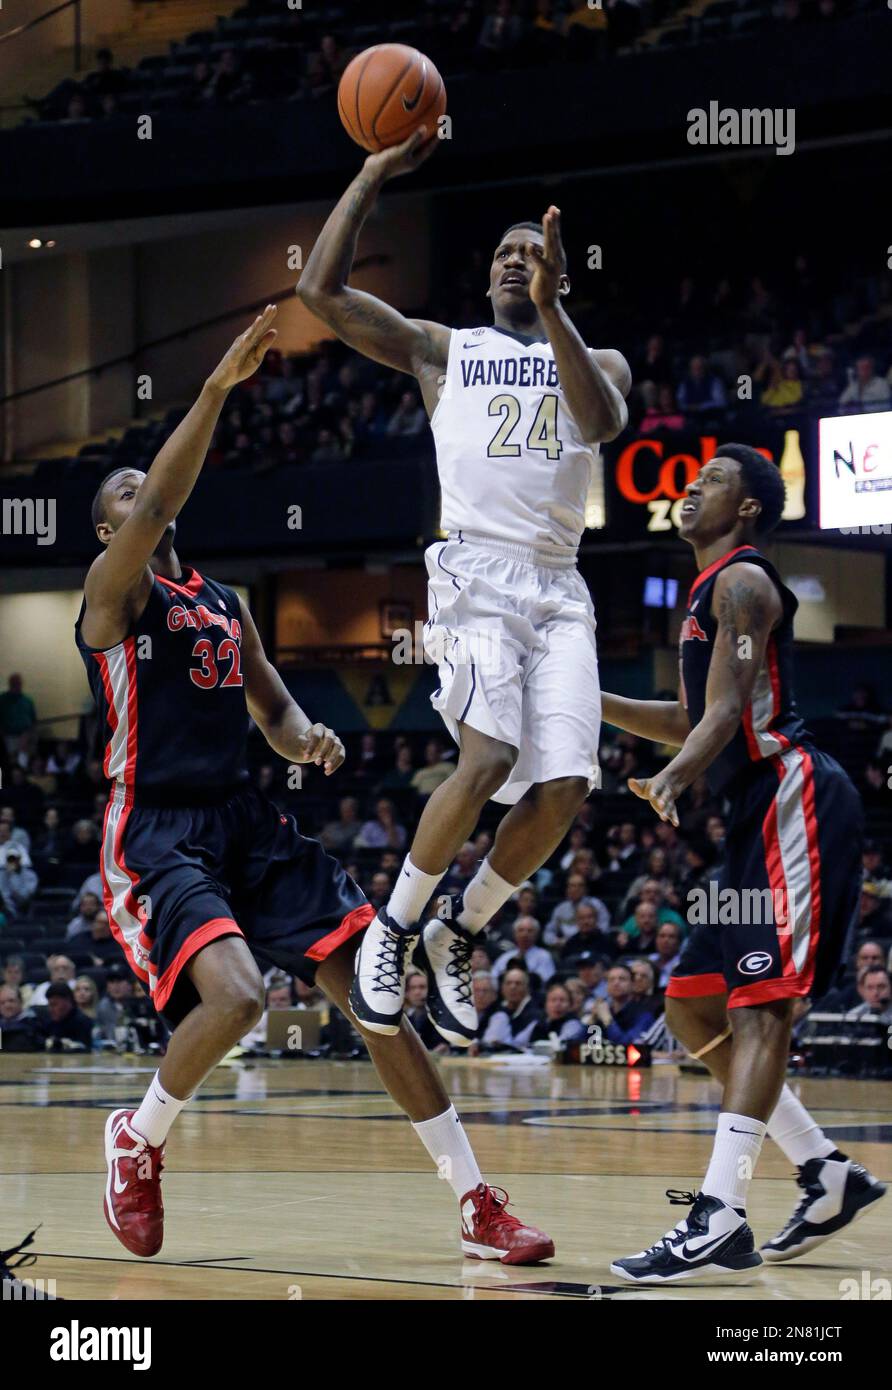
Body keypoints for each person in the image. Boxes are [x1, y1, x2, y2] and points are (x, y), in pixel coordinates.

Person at [77, 309, 552, 1266]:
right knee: (241, 999)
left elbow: (277, 714)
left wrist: (313, 740)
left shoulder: (224, 604)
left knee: (377, 1004)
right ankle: (140, 1139)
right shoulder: (112, 595)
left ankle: (475, 1203)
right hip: (158, 834)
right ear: (107, 528)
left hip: (248, 825)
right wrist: (216, 386)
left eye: (145, 488)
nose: (145, 499)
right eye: (127, 493)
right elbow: (166, 496)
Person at [296, 129, 630, 1048]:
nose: (517, 264)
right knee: (484, 761)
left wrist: (558, 309)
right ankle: (394, 929)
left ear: (558, 274)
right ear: (486, 279)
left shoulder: (595, 360)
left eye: (534, 254)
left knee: (564, 786)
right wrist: (367, 172)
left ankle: (459, 926)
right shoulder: (445, 350)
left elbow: (599, 424)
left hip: (559, 585)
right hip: (476, 572)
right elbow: (318, 295)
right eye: (504, 255)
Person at [601, 443, 885, 1282]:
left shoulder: (745, 583)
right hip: (748, 819)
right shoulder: (707, 594)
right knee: (692, 1006)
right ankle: (826, 1171)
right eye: (690, 482)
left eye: (712, 482)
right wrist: (591, 699)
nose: (691, 490)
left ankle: (719, 1214)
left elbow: (721, 716)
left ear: (751, 507)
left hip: (790, 799)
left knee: (763, 1009)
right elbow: (692, 710)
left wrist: (674, 777)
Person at [491, 916, 555, 985]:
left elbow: (547, 980)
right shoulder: (505, 957)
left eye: (530, 931)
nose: (525, 934)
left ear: (536, 934)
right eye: (521, 930)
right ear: (514, 934)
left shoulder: (544, 956)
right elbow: (493, 979)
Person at [37, 982, 93, 1051]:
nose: (50, 1009)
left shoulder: (84, 1024)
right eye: (49, 1005)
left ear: (68, 1002)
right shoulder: (48, 1021)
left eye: (54, 1004)